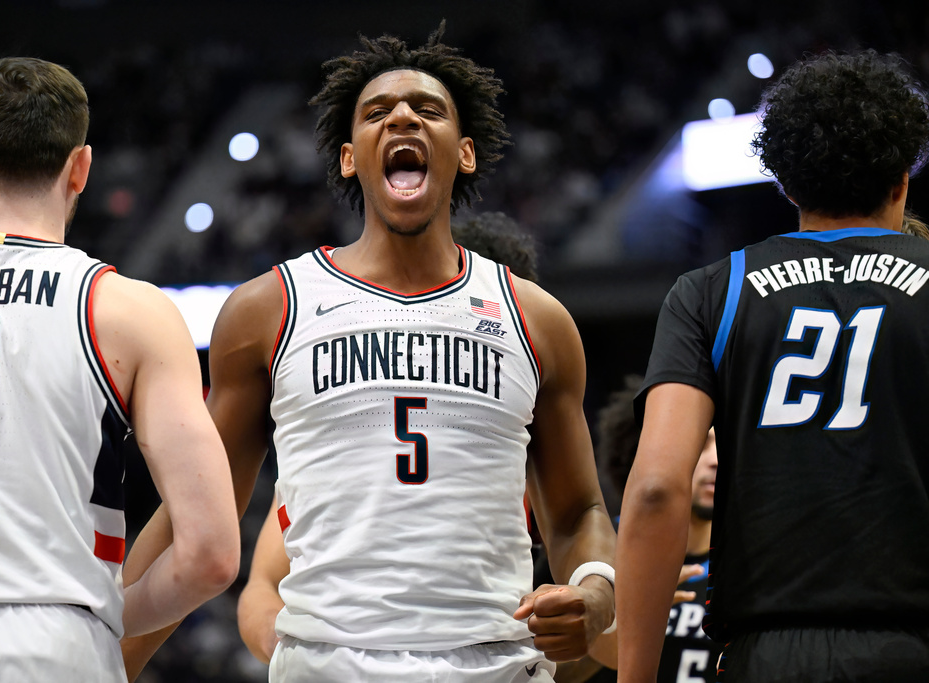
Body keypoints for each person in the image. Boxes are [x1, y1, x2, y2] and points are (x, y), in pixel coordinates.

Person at [123, 24, 617, 682]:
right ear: (351, 157)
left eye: (428, 110)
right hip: (326, 666)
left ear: (464, 153)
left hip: (495, 664)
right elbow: (193, 515)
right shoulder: (267, 308)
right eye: (378, 112)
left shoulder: (538, 318)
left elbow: (580, 510)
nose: (404, 116)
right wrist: (102, 658)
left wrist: (597, 592)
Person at [0, 57, 241, 682]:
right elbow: (211, 555)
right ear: (81, 168)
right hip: (49, 629)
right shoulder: (128, 310)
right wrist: (104, 617)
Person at [616, 49, 929, 683]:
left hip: (767, 656)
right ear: (902, 179)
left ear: (784, 183)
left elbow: (653, 490)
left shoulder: (714, 290)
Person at [236, 210, 544, 666]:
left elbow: (595, 646)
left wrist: (604, 608)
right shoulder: (334, 457)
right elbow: (260, 589)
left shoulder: (539, 469)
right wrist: (306, 657)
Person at [538, 376, 719, 683]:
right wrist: (613, 620)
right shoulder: (589, 553)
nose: (715, 461)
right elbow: (543, 673)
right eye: (699, 447)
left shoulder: (750, 561)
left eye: (721, 447)